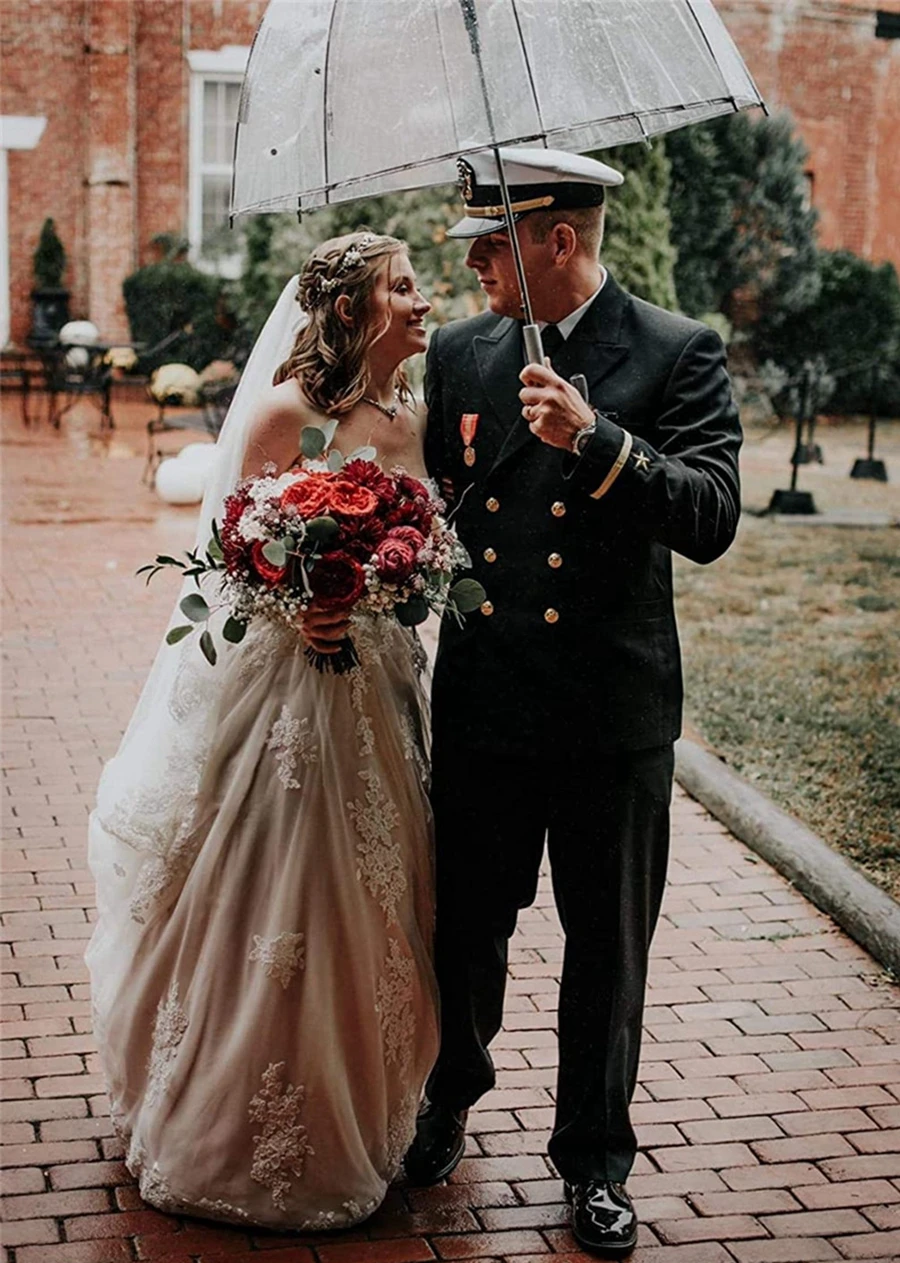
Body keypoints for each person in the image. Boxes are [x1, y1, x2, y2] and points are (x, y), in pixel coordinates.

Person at [407, 149, 742, 1258]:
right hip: (488, 702)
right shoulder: (460, 354)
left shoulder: (674, 351)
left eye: (492, 240)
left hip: (610, 715)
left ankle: (594, 1162)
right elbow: (440, 519)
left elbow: (711, 515)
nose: (470, 260)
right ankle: (448, 1097)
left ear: (561, 239)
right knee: (467, 928)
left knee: (607, 950)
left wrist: (600, 446)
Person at [86, 232, 439, 1230]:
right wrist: (305, 604)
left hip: (376, 683)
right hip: (288, 688)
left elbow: (428, 540)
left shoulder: (406, 414)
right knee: (272, 887)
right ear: (353, 312)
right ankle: (226, 1111)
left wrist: (397, 575)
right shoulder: (291, 411)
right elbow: (234, 550)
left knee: (367, 892)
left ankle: (361, 1107)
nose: (422, 302)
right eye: (402, 288)